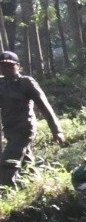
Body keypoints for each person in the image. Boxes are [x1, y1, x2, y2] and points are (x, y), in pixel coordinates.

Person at [0, 50, 64, 189]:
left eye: (10, 65)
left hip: (24, 129)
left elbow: (45, 106)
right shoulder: (1, 84)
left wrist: (56, 130)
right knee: (26, 161)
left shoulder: (26, 82)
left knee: (8, 162)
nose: (6, 68)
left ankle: (5, 193)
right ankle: (36, 185)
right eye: (3, 65)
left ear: (18, 66)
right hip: (10, 130)